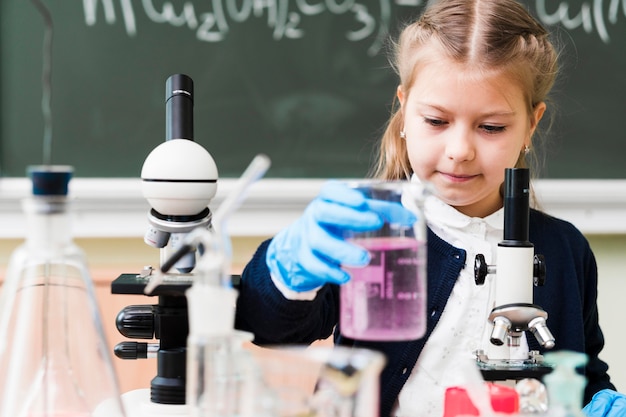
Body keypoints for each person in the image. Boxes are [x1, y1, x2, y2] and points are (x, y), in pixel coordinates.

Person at [234, 0, 625, 415]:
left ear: (531, 123)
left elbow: (582, 376)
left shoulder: (565, 248)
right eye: (436, 121)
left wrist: (601, 402)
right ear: (404, 111)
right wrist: (286, 272)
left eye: (491, 127)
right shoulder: (376, 231)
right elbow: (268, 325)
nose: (459, 151)